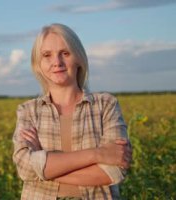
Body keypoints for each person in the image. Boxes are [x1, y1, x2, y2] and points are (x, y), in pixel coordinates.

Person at [12, 23, 132, 199]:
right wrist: (97, 154)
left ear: (78, 58)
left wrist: (44, 168)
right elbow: (25, 168)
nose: (57, 62)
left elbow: (114, 172)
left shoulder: (106, 105)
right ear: (38, 64)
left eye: (65, 53)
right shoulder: (28, 111)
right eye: (47, 55)